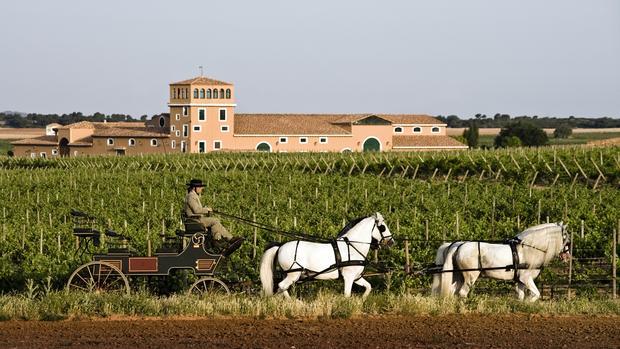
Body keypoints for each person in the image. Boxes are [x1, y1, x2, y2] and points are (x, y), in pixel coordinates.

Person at [184, 179, 243, 254]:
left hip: (197, 219)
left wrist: (206, 209)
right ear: (194, 188)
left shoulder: (193, 195)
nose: (202, 189)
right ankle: (221, 240)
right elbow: (197, 210)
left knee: (215, 222)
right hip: (195, 220)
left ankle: (222, 239)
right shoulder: (191, 197)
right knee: (215, 221)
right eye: (200, 187)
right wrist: (207, 209)